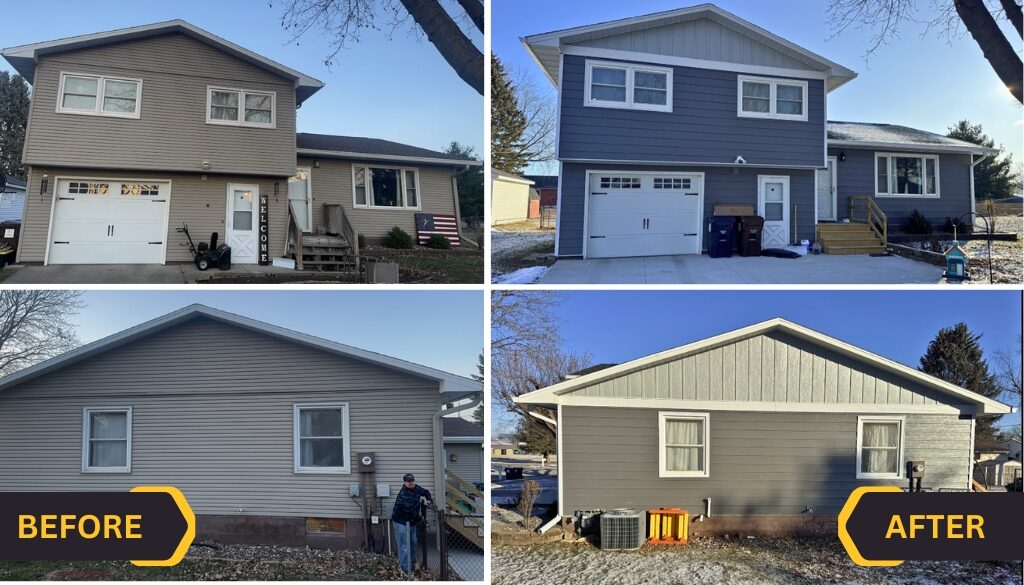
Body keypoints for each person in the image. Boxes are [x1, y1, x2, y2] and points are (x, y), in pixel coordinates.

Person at [391, 473, 432, 575]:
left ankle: (412, 561)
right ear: (405, 482)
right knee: (404, 546)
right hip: (401, 522)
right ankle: (404, 568)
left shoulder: (417, 488)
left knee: (413, 542)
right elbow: (409, 510)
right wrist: (420, 516)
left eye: (412, 481)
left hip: (412, 522)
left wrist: (428, 500)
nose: (411, 483)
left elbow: (426, 492)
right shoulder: (403, 493)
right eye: (409, 481)